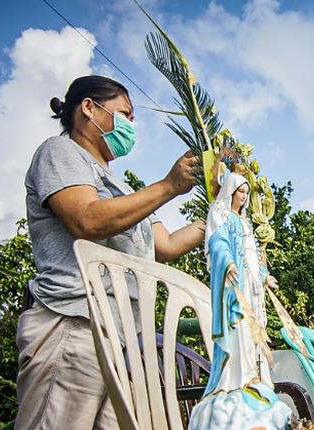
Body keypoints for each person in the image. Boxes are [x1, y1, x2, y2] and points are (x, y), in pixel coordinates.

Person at [17, 75, 205, 429]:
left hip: (121, 337)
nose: (131, 126)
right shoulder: (60, 153)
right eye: (125, 114)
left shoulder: (121, 188)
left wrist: (220, 213)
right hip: (76, 322)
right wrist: (168, 187)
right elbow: (87, 219)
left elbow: (166, 246)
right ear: (89, 108)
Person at [188, 169, 291, 429]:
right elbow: (217, 243)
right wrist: (228, 263)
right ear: (231, 192)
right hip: (235, 287)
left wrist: (265, 276)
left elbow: (253, 257)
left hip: (252, 287)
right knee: (239, 332)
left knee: (253, 336)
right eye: (240, 192)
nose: (244, 197)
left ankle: (252, 379)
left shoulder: (244, 222)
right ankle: (235, 379)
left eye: (246, 192)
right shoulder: (223, 216)